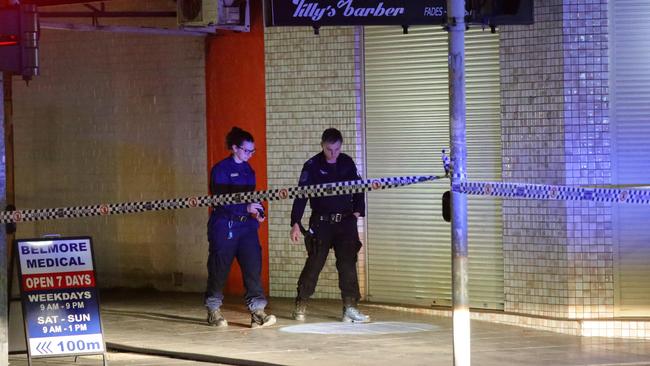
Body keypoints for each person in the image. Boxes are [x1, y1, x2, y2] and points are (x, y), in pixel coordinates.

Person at [289, 128, 370, 323]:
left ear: (341, 146)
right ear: (322, 146)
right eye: (328, 149)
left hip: (345, 223)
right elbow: (301, 195)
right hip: (322, 222)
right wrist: (295, 222)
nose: (333, 154)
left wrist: (358, 211)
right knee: (314, 263)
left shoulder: (347, 162)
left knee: (348, 264)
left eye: (336, 149)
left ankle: (350, 307)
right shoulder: (311, 165)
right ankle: (301, 303)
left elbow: (359, 188)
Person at [204, 127, 276, 329]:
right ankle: (213, 310)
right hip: (224, 226)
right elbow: (220, 200)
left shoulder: (248, 170)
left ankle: (257, 312)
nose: (250, 155)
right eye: (246, 151)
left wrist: (258, 211)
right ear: (235, 148)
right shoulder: (221, 170)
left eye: (253, 151)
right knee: (219, 269)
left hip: (247, 228)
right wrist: (244, 207)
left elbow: (251, 198)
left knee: (253, 267)